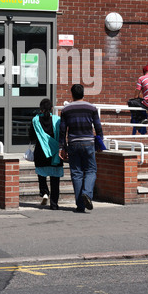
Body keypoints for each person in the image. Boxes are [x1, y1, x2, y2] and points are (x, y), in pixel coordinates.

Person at [58, 84, 104, 213]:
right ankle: (87, 194)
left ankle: (80, 205)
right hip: (88, 143)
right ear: (83, 93)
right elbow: (98, 127)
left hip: (73, 143)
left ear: (72, 94)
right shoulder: (91, 108)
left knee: (76, 173)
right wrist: (100, 143)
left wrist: (62, 147)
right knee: (91, 170)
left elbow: (63, 130)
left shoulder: (66, 110)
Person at [29, 98, 63, 210]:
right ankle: (54, 204)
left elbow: (32, 137)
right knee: (55, 179)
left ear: (40, 109)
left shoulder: (35, 120)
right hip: (55, 153)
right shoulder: (57, 120)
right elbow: (62, 135)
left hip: (41, 152)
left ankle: (44, 193)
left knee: (42, 175)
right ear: (52, 108)